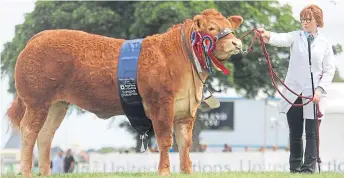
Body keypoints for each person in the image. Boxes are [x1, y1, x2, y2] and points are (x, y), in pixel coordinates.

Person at [255, 4, 336, 173]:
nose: (305, 23)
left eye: (308, 20)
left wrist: (319, 91)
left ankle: (308, 169)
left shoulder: (325, 44)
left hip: (314, 95)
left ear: (317, 21)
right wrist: (265, 34)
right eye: (303, 20)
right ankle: (295, 168)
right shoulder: (295, 37)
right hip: (293, 93)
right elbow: (279, 38)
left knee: (312, 134)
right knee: (295, 134)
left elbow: (329, 69)